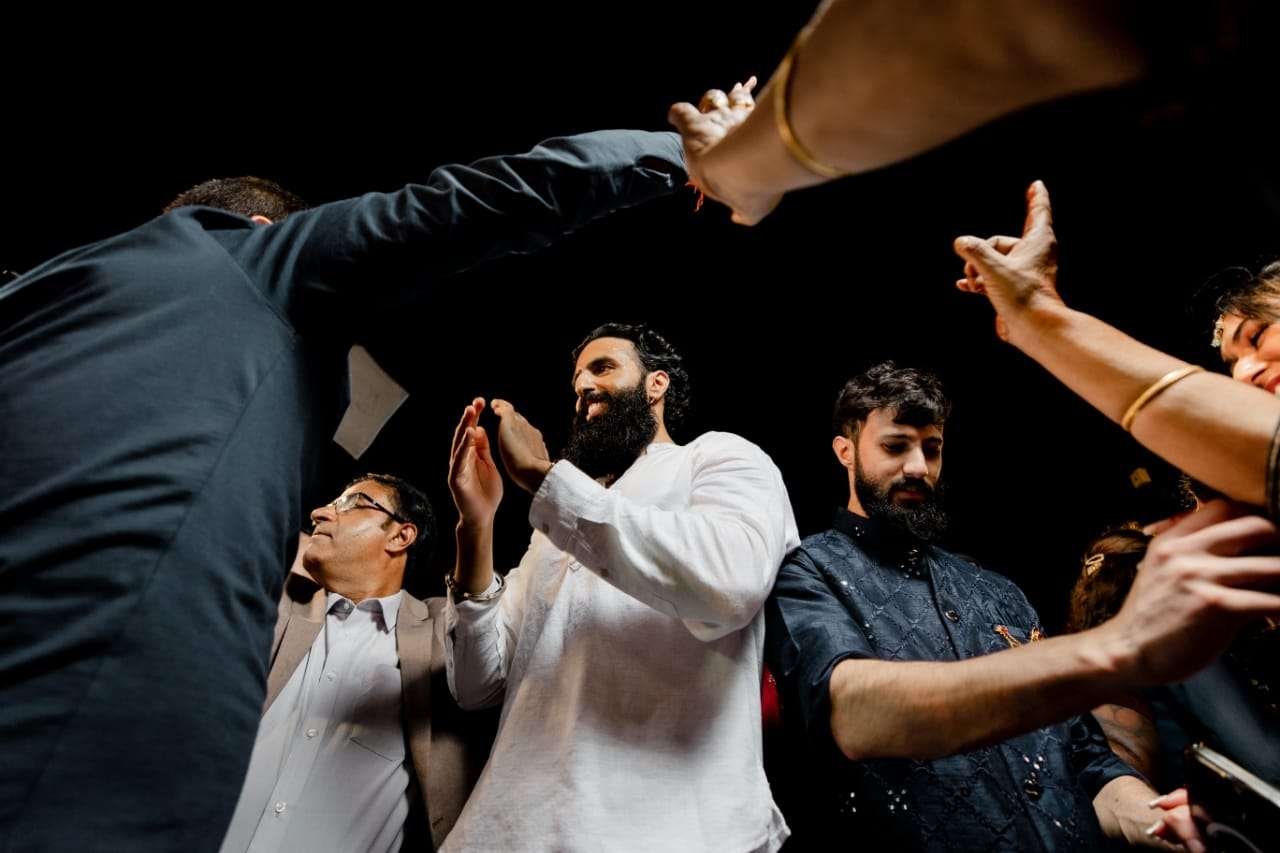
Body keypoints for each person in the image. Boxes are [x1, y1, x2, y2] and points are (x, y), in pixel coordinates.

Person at [0, 114, 730, 851]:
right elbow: (478, 201)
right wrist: (686, 153)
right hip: (102, 739)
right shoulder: (254, 259)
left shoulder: (43, 294)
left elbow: (480, 681)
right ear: (265, 231)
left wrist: (487, 519)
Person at [766, 362, 1185, 849]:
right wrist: (1087, 655)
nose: (918, 467)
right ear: (845, 451)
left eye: (932, 449)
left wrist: (1157, 819)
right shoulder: (807, 572)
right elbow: (856, 716)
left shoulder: (998, 591)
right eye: (895, 446)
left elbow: (1086, 760)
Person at [443, 322, 798, 851]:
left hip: (666, 829)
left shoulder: (718, 457)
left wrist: (542, 478)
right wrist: (476, 524)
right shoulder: (553, 529)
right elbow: (477, 685)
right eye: (576, 381)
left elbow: (732, 582)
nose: (583, 386)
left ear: (657, 384)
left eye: (603, 367)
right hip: (508, 829)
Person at [219, 473, 496, 853]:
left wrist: (475, 523)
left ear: (400, 536)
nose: (319, 513)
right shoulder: (277, 601)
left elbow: (476, 613)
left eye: (351, 504)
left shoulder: (437, 632)